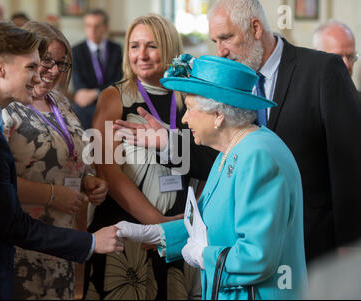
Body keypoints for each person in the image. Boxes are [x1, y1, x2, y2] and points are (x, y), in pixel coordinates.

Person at [119, 0, 361, 264]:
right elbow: (221, 152)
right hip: (240, 244)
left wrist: (351, 244)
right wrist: (169, 143)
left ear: (255, 28)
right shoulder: (228, 81)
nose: (220, 51)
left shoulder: (321, 69)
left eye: (226, 38)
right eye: (215, 41)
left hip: (312, 241)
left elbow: (350, 163)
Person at [0, 22, 123, 300]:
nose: (40, 74)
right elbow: (11, 223)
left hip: (42, 242)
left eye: (57, 64)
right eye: (32, 66)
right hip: (2, 258)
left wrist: (85, 180)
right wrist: (90, 241)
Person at [116, 55, 308, 300]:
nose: (184, 119)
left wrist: (203, 256)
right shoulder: (232, 148)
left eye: (190, 109)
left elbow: (258, 256)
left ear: (218, 114)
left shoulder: (259, 156)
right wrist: (157, 233)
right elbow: (205, 227)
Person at [84, 14, 214, 301]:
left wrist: (190, 220)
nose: (140, 55)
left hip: (183, 231)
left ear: (168, 49)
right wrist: (155, 223)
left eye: (151, 46)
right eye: (134, 46)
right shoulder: (114, 96)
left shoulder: (190, 96)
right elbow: (107, 169)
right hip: (131, 231)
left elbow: (209, 157)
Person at [2, 21, 108, 300]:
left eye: (61, 63)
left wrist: (88, 181)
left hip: (63, 239)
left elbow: (67, 157)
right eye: (46, 60)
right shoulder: (8, 106)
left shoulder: (60, 102)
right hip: (25, 239)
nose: (54, 71)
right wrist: (52, 195)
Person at [72, 8, 123, 129]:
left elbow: (118, 80)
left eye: (97, 26)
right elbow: (78, 84)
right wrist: (92, 94)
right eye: (88, 26)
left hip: (110, 99)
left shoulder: (116, 49)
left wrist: (96, 92)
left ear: (105, 27)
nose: (92, 30)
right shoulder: (76, 50)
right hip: (86, 103)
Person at [312, 20, 361, 102]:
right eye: (337, 57)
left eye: (350, 56)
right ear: (315, 56)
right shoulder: (301, 102)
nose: (346, 64)